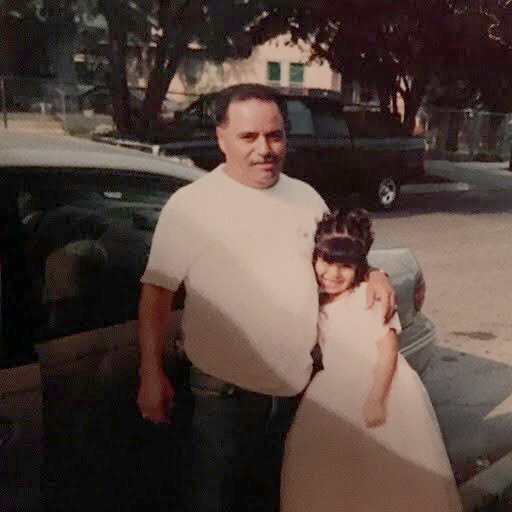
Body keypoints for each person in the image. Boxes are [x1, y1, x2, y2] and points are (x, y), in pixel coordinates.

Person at [136, 84, 396, 512]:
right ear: (221, 138)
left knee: (282, 500)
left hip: (297, 392)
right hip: (222, 398)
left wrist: (376, 273)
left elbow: (339, 259)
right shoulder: (191, 206)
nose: (265, 148)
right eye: (249, 137)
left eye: (275, 136)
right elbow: (157, 291)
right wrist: (150, 371)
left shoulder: (305, 197)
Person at [280, 209, 463, 512]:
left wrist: (377, 397)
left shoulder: (368, 296)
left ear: (360, 268)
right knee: (335, 472)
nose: (333, 273)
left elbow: (388, 348)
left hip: (378, 385)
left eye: (345, 266)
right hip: (334, 388)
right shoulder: (319, 298)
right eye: (325, 262)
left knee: (381, 474)